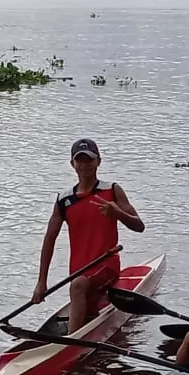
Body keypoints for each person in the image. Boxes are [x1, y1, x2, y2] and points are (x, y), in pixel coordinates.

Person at [32, 138, 145, 333]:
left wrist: (118, 213)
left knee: (77, 286)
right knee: (78, 285)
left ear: (98, 161)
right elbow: (49, 240)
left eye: (89, 160)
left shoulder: (112, 190)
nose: (84, 165)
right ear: (72, 164)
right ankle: (82, 319)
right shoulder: (64, 200)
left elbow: (139, 226)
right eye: (80, 160)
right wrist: (41, 282)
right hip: (79, 272)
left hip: (106, 266)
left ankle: (71, 343)